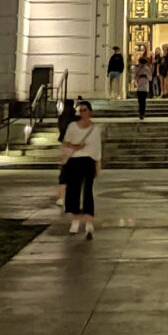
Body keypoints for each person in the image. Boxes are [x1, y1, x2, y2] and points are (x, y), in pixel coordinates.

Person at [59, 99, 103, 239]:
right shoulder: (72, 126)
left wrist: (98, 166)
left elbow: (97, 149)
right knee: (74, 191)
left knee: (87, 191)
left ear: (90, 112)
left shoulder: (95, 130)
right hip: (74, 161)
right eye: (80, 110)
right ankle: (76, 220)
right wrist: (75, 147)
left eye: (85, 110)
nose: (82, 113)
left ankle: (89, 221)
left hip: (88, 161)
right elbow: (66, 142)